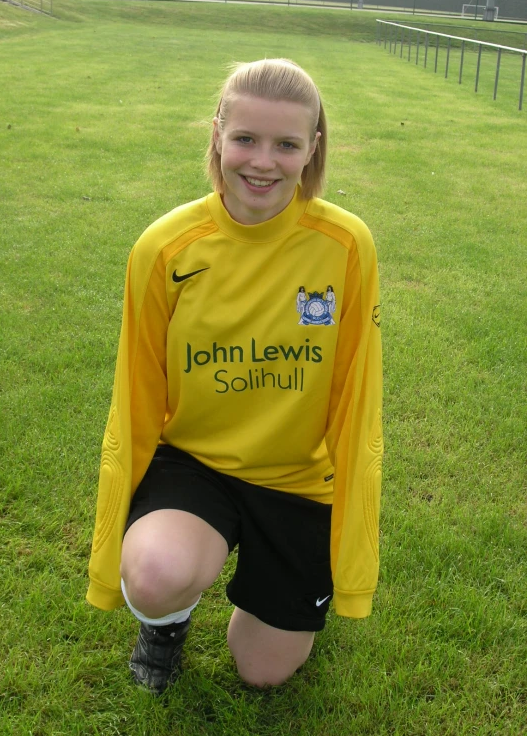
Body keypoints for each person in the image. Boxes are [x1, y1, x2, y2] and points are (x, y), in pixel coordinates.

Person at [86, 58, 383, 695]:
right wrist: (112, 549)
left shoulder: (346, 246)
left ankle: (284, 611)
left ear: (312, 151)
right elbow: (134, 400)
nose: (262, 162)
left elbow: (357, 401)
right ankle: (165, 623)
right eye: (246, 138)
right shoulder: (166, 248)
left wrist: (347, 550)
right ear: (218, 133)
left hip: (298, 480)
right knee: (158, 571)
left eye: (286, 144)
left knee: (263, 671)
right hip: (196, 466)